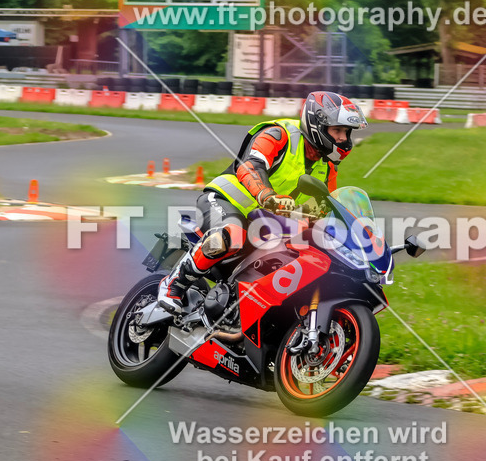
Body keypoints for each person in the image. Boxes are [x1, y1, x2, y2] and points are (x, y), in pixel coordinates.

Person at [157, 91, 368, 313]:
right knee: (233, 233)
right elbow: (249, 166)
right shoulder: (279, 134)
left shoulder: (328, 166)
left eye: (346, 132)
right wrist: (267, 196)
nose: (343, 138)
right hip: (226, 201)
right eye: (337, 131)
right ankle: (173, 285)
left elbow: (329, 206)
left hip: (268, 223)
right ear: (317, 125)